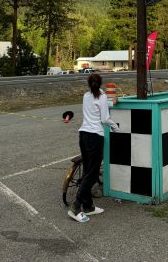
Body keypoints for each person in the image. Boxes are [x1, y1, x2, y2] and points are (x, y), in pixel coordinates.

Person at [68, 73, 120, 223]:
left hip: (83, 135)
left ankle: (88, 206)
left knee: (87, 170)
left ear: (89, 84)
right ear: (101, 84)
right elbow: (104, 118)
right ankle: (76, 207)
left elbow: (97, 105)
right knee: (92, 174)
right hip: (95, 137)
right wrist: (116, 127)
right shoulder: (102, 97)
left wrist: (110, 102)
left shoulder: (86, 96)